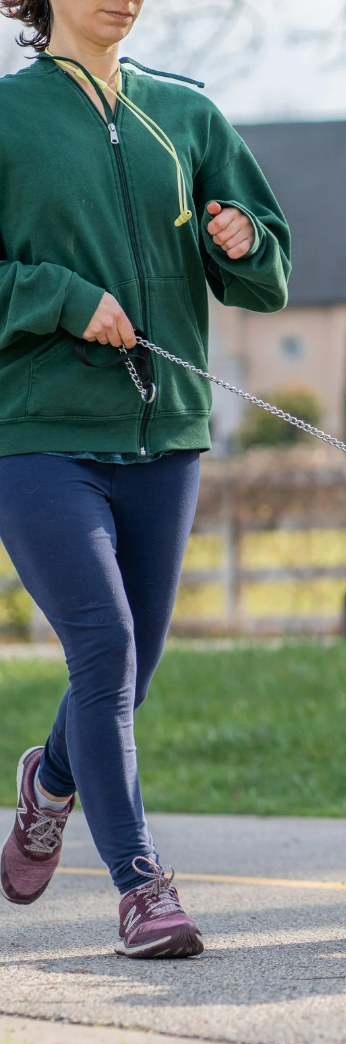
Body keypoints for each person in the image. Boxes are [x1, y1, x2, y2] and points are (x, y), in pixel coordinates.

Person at [0, 0, 290, 958]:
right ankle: (141, 888)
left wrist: (241, 239)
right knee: (106, 643)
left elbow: (267, 267)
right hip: (37, 434)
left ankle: (49, 786)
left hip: (166, 433)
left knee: (134, 664)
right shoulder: (8, 115)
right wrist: (64, 297)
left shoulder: (188, 113)